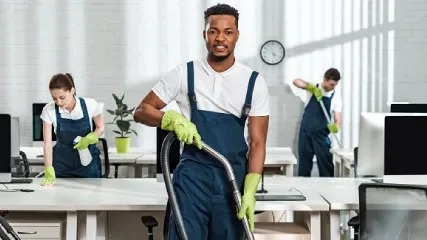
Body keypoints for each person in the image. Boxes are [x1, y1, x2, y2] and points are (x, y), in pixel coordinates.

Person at [134, 3, 270, 239]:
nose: (220, 38)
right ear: (204, 34)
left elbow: (258, 142)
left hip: (232, 180)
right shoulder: (184, 74)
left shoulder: (253, 82)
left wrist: (250, 189)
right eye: (213, 31)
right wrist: (171, 119)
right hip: (192, 180)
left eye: (228, 32)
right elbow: (141, 110)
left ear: (237, 35)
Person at [40, 73, 104, 186]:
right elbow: (47, 145)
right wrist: (48, 169)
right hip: (62, 164)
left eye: (62, 97)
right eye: (54, 98)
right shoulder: (48, 110)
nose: (58, 102)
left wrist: (89, 138)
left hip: (88, 163)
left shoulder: (90, 104)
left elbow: (100, 128)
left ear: (72, 90)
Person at [293, 68, 342, 177]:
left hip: (321, 135)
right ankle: (303, 189)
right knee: (304, 165)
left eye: (335, 85)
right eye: (331, 84)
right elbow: (296, 81)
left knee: (326, 165)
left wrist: (336, 127)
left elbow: (338, 119)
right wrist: (311, 88)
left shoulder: (336, 97)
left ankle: (328, 190)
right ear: (324, 80)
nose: (333, 87)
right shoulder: (314, 87)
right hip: (306, 133)